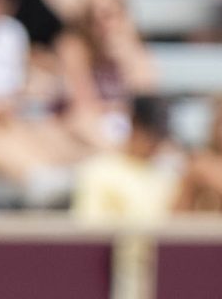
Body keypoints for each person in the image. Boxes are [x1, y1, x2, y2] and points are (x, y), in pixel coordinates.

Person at [69, 92, 177, 225]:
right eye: (150, 133)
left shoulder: (170, 175)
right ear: (134, 124)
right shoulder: (98, 172)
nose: (155, 143)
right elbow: (90, 231)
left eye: (160, 136)